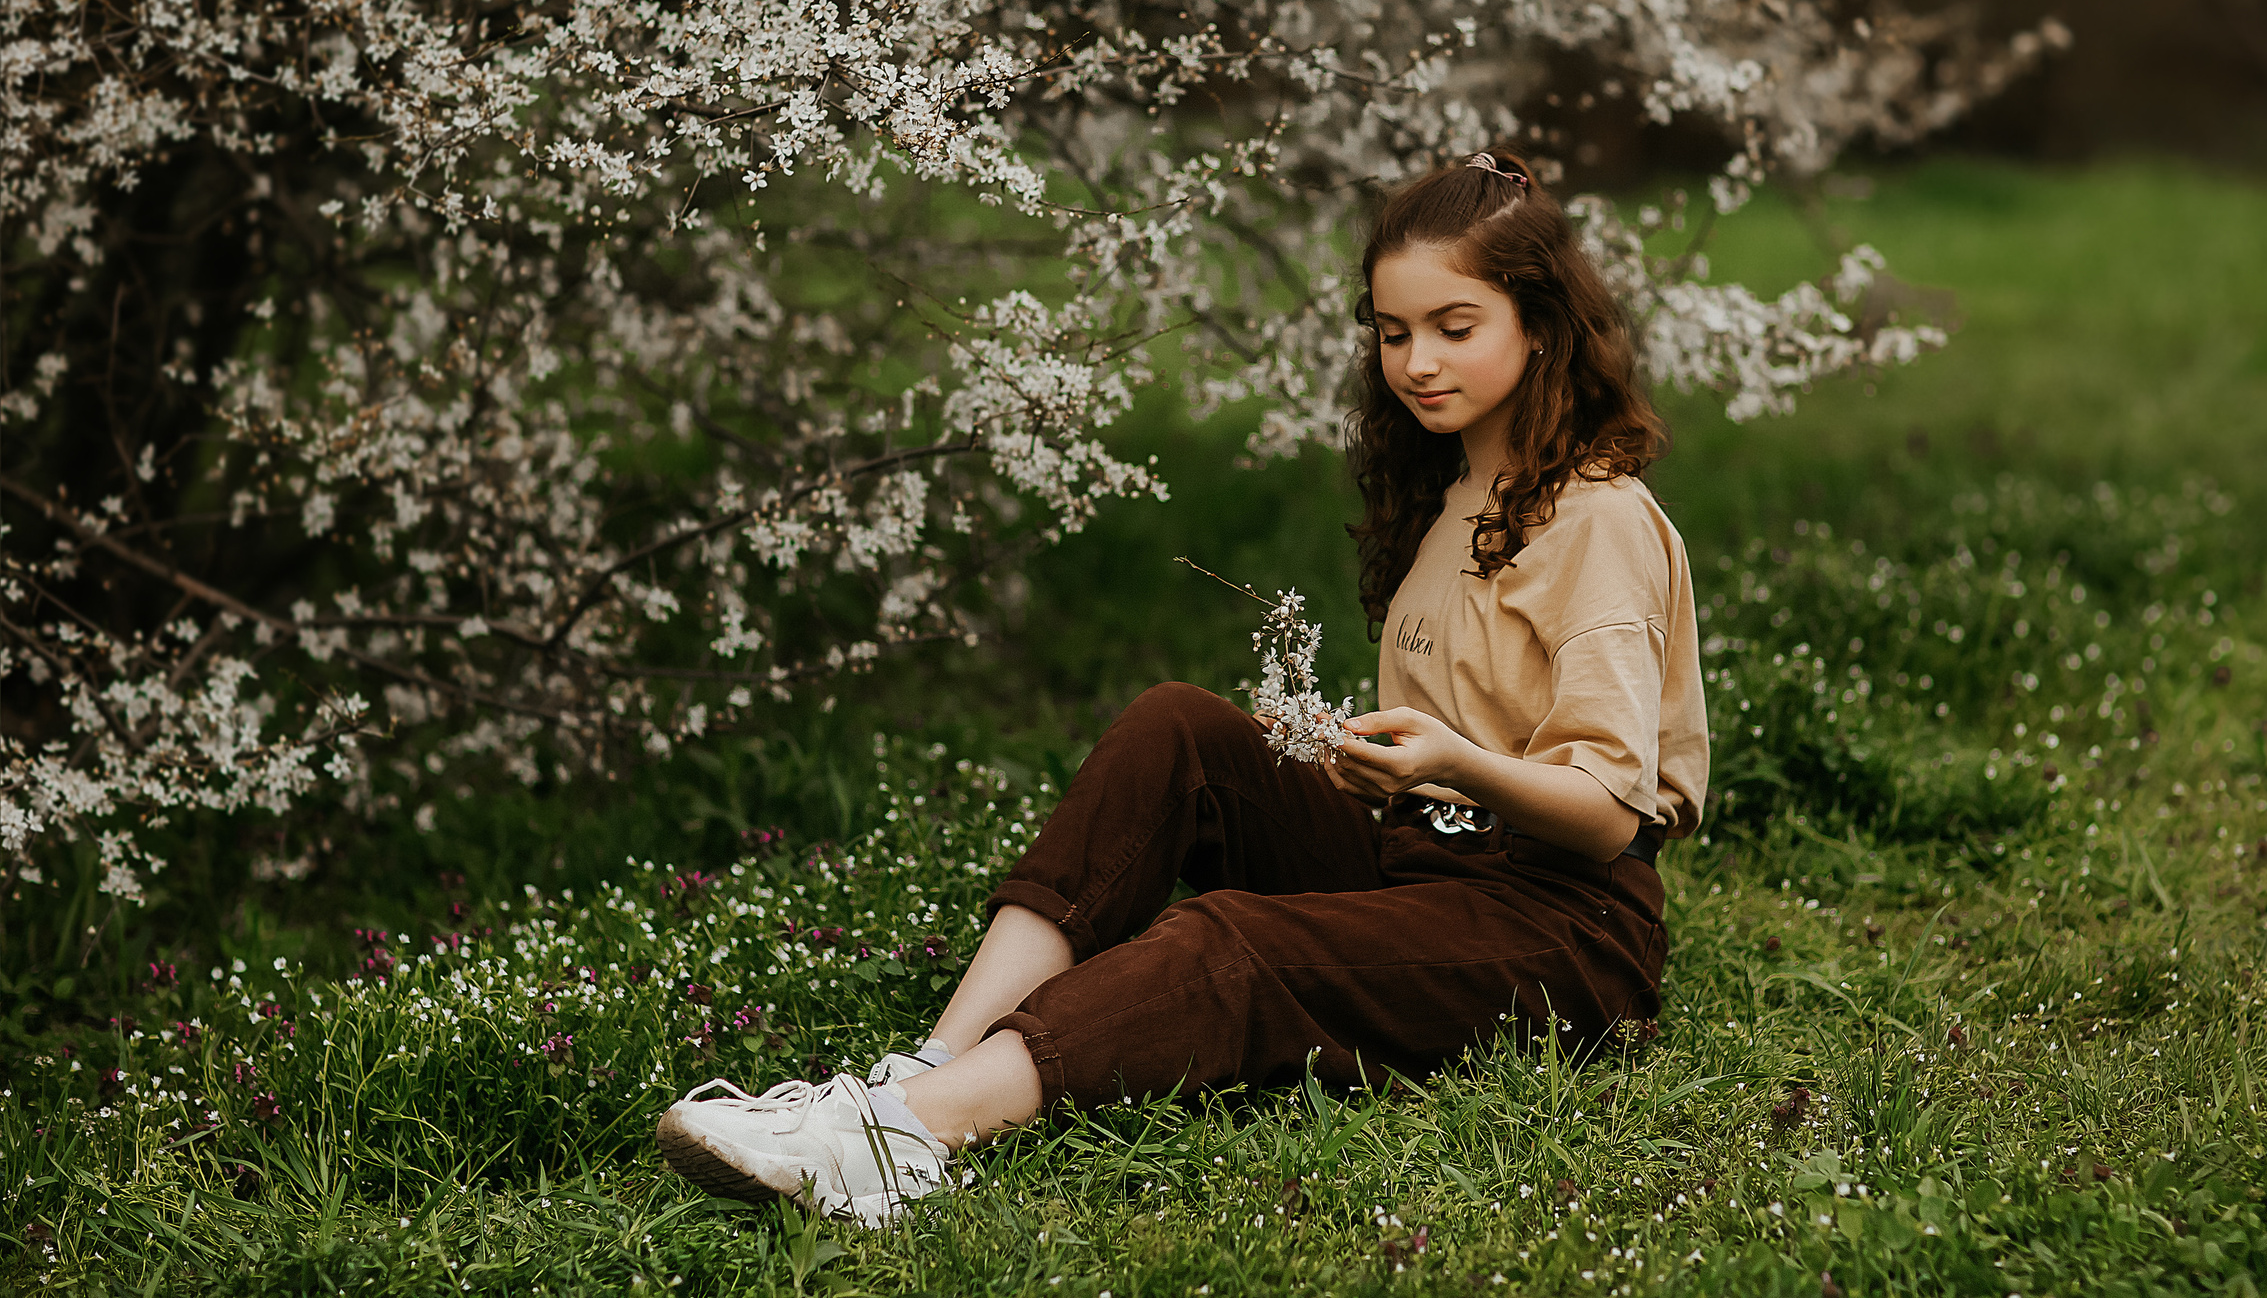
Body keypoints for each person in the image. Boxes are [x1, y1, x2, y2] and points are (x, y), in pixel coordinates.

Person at [653, 148, 1713, 1223]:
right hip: (1424, 861)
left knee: (1233, 939)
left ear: (1540, 323)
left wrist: (1452, 764)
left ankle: (907, 1139)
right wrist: (1379, 762)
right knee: (1182, 729)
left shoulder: (1597, 518)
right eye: (1394, 333)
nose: (1417, 362)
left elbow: (1606, 813)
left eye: (1455, 326)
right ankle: (925, 1065)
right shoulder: (1455, 496)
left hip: (1562, 929)